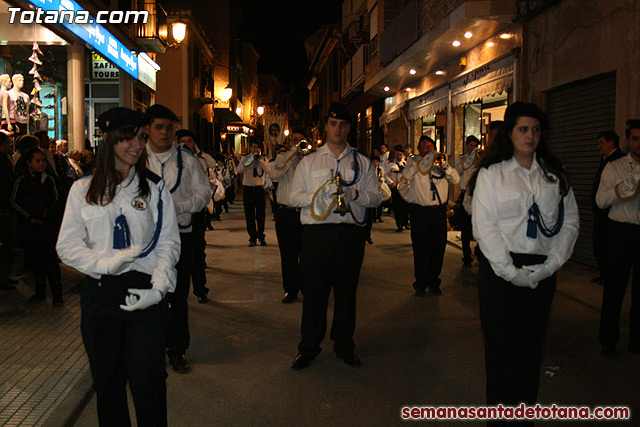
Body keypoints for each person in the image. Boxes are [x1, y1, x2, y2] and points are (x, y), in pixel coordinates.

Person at [56, 107, 180, 426]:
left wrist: (160, 287)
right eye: (127, 138)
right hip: (101, 293)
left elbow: (168, 242)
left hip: (145, 291)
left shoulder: (154, 187)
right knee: (108, 385)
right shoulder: (83, 190)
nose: (136, 146)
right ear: (109, 141)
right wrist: (106, 264)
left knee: (148, 381)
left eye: (140, 137)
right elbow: (66, 246)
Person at [470, 102, 579, 411]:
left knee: (531, 354)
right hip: (500, 274)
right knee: (501, 355)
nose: (530, 136)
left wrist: (549, 267)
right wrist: (510, 271)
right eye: (523, 129)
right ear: (510, 132)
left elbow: (569, 223)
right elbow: (485, 226)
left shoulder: (554, 175)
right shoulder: (492, 174)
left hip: (541, 272)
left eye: (535, 130)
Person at [289, 102, 381, 369]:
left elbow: (376, 198)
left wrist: (355, 195)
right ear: (326, 127)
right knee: (314, 295)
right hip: (317, 235)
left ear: (349, 128)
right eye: (333, 124)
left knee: (346, 294)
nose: (338, 129)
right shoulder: (309, 161)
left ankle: (344, 345)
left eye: (342, 124)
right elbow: (293, 196)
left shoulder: (362, 162)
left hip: (349, 235)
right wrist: (319, 196)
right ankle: (308, 347)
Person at [144, 104, 211, 374]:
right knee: (149, 293)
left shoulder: (187, 160)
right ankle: (149, 348)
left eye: (169, 127)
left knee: (178, 294)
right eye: (158, 127)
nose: (164, 132)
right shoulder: (136, 158)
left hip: (180, 236)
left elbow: (204, 192)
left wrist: (179, 207)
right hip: (145, 240)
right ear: (147, 129)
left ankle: (177, 349)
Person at [596, 119, 640, 358]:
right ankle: (609, 340)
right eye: (635, 138)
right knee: (614, 289)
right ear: (627, 141)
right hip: (620, 232)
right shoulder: (615, 167)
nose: (639, 143)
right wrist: (623, 188)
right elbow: (600, 201)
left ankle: (637, 340)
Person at [403, 136, 459, 297]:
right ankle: (420, 284)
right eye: (424, 147)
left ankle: (434, 281)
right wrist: (422, 162)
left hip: (438, 212)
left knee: (438, 248)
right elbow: (406, 176)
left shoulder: (441, 163)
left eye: (430, 146)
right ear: (419, 149)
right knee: (421, 249)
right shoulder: (413, 162)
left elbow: (456, 179)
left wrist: (444, 166)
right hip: (420, 212)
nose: (427, 149)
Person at [11, 147, 64, 305]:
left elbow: (57, 200)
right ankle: (40, 291)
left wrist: (44, 217)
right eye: (37, 161)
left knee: (50, 261)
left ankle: (57, 295)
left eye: (43, 160)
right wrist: (29, 218)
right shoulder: (22, 181)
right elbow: (14, 202)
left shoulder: (50, 180)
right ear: (29, 163)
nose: (41, 164)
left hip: (47, 227)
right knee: (36, 261)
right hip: (30, 228)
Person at [271, 129, 305, 303]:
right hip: (286, 212)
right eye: (295, 140)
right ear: (290, 142)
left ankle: (305, 286)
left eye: (301, 141)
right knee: (288, 254)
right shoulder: (282, 158)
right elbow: (274, 174)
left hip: (305, 213)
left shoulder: (309, 159)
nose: (298, 144)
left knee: (306, 253)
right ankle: (290, 289)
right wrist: (291, 155)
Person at [176, 129, 211, 304]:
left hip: (195, 213)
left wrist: (198, 153)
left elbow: (209, 168)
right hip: (176, 217)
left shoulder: (199, 160)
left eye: (189, 141)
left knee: (197, 252)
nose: (185, 144)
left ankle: (200, 289)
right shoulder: (172, 161)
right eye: (182, 141)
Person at [590, 131, 624, 285]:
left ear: (611, 143)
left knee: (606, 245)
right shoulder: (605, 159)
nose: (599, 147)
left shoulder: (618, 161)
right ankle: (604, 274)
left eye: (601, 143)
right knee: (600, 244)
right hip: (601, 211)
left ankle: (609, 275)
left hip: (610, 213)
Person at [237, 141, 271, 246]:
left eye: (257, 148)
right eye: (254, 147)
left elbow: (268, 170)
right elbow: (238, 170)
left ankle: (261, 235)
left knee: (260, 215)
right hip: (248, 189)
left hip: (259, 189)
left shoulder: (264, 159)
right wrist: (249, 161)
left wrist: (260, 160)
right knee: (249, 215)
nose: (255, 150)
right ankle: (252, 237)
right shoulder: (245, 158)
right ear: (250, 148)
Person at [455, 135, 480, 266]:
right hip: (466, 193)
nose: (473, 148)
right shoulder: (461, 159)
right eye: (471, 145)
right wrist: (469, 159)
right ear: (466, 146)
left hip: (478, 193)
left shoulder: (480, 159)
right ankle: (466, 255)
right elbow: (457, 172)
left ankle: (479, 251)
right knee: (465, 227)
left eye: (475, 146)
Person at [0, 132, 16, 290]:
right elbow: (8, 186)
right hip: (4, 209)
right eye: (9, 143)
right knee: (6, 245)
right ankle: (3, 278)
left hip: (4, 208)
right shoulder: (3, 162)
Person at [386, 145, 410, 232]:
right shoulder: (391, 164)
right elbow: (386, 175)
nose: (399, 156)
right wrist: (391, 182)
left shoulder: (406, 163)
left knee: (406, 205)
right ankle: (399, 224)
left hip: (404, 187)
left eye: (400, 155)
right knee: (398, 206)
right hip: (395, 187)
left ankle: (406, 222)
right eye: (397, 155)